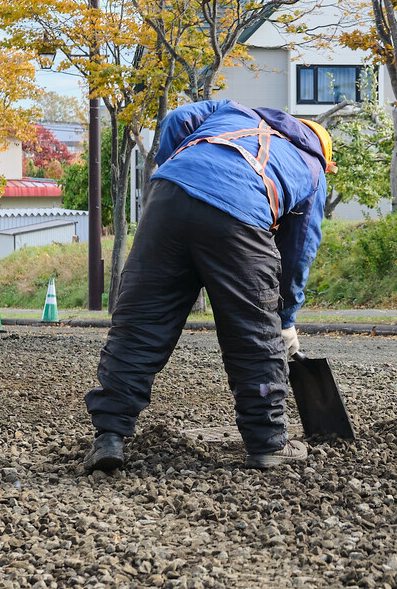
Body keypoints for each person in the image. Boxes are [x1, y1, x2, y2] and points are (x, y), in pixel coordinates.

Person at [81, 100, 333, 474]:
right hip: (241, 211)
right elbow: (297, 253)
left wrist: (177, 173)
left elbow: (176, 119)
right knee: (252, 336)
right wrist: (285, 318)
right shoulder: (313, 169)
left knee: (140, 326)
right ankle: (267, 444)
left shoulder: (235, 111)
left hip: (168, 198)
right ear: (324, 154)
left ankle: (109, 437)